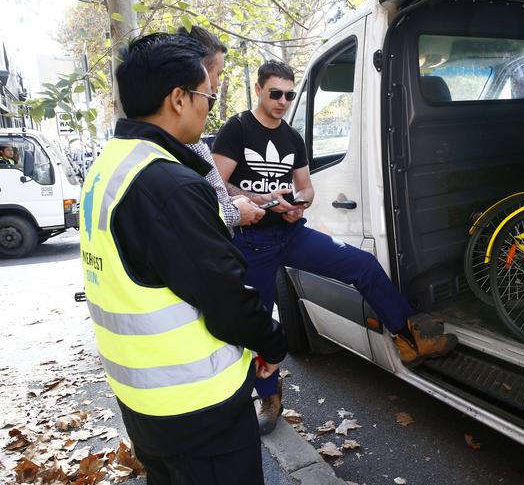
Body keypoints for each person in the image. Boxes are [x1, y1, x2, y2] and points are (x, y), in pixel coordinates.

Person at [79, 33, 286, 484]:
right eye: (207, 98)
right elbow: (225, 296)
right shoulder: (168, 185)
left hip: (143, 401)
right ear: (178, 99)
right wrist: (271, 342)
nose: (209, 108)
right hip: (197, 407)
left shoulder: (109, 167)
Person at [212, 60, 458, 435]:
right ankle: (268, 396)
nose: (282, 101)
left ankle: (409, 338)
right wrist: (260, 197)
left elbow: (306, 186)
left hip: (292, 233)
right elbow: (219, 185)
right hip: (252, 241)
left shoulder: (292, 137)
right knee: (259, 320)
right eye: (275, 93)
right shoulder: (237, 128)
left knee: (360, 264)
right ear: (259, 89)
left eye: (289, 95)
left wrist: (299, 204)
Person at [177, 26, 266, 231]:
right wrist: (234, 212)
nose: (215, 85)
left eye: (290, 95)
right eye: (218, 74)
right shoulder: (172, 151)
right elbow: (189, 218)